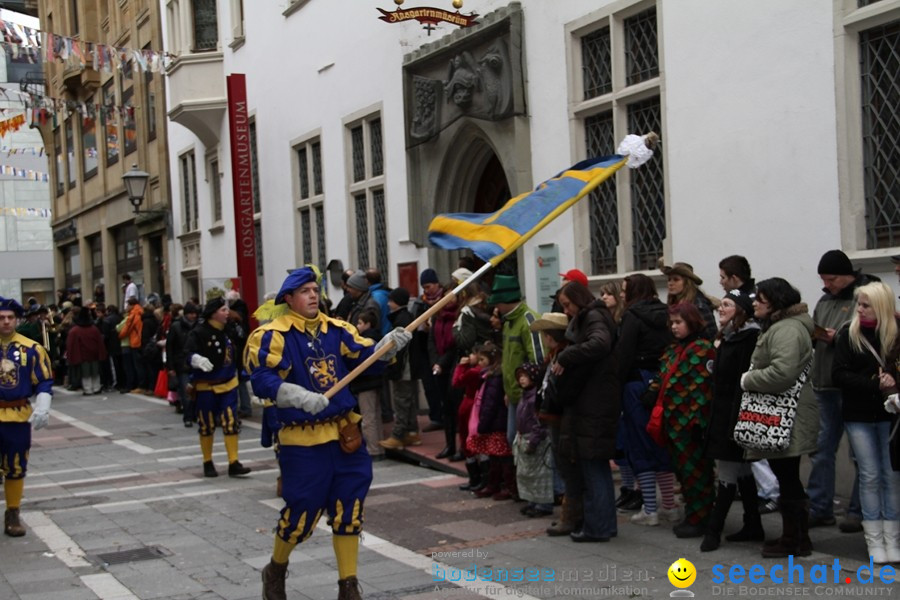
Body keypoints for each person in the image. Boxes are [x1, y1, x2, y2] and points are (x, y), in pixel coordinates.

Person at [245, 267, 411, 600]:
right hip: (301, 439)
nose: (311, 295)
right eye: (304, 291)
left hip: (344, 435)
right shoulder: (272, 334)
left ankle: (348, 585)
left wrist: (387, 347)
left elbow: (366, 359)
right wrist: (295, 395)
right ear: (289, 299)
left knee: (350, 509)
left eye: (314, 289)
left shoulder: (338, 329)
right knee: (302, 513)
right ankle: (276, 568)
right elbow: (262, 377)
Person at [743, 277, 818, 558]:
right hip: (785, 411)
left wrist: (747, 379)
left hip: (787, 413)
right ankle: (795, 537)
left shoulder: (786, 330)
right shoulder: (781, 326)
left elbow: (782, 372)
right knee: (786, 476)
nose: (754, 303)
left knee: (787, 477)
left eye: (759, 299)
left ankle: (795, 540)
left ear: (775, 302)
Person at [831, 281, 900, 563]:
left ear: (881, 306)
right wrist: (874, 383)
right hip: (858, 415)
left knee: (891, 476)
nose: (859, 309)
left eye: (865, 304)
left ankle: (892, 538)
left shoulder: (895, 334)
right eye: (858, 304)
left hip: (890, 414)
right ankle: (874, 539)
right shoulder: (849, 333)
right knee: (870, 475)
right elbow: (839, 375)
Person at [808, 250, 875, 529]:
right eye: (824, 279)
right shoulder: (824, 300)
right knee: (822, 448)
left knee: (859, 452)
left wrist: (841, 338)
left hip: (851, 387)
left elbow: (866, 337)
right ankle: (819, 506)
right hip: (824, 384)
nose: (828, 284)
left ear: (848, 275)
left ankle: (857, 510)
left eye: (832, 278)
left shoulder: (863, 297)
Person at [554, 281, 619, 543]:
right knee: (596, 465)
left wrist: (566, 356)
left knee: (593, 467)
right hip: (598, 399)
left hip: (595, 401)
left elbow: (599, 344)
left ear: (579, 299)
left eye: (568, 305)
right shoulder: (596, 315)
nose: (567, 311)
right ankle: (604, 524)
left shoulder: (593, 316)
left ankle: (598, 527)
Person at [701, 288, 764, 552]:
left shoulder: (748, 338)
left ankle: (713, 531)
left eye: (727, 305)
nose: (721, 309)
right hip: (724, 412)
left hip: (735, 415)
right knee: (743, 469)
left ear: (740, 311)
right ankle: (753, 524)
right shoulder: (729, 337)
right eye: (721, 304)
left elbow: (741, 381)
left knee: (728, 470)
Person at [615, 274, 678, 522]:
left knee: (640, 444)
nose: (621, 295)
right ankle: (670, 506)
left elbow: (624, 354)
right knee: (661, 441)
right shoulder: (667, 313)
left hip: (635, 384)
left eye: (624, 290)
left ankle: (650, 508)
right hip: (662, 381)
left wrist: (616, 386)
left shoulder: (632, 316)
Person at [0, 297, 53, 537]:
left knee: (16, 467)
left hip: (17, 416)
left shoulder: (32, 348)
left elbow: (43, 380)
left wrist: (43, 404)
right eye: (1, 318)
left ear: (17, 319)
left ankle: (12, 513)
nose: (6, 322)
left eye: (10, 317)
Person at [184, 297, 252, 479]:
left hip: (229, 383)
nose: (227, 313)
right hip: (207, 386)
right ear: (213, 313)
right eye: (223, 310)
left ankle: (234, 462)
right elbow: (187, 353)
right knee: (206, 424)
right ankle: (207, 461)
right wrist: (196, 359)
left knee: (231, 422)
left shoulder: (228, 330)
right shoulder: (199, 332)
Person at [490, 274, 544, 451]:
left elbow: (538, 359)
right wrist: (508, 391)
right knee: (513, 438)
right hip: (514, 394)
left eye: (497, 302)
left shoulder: (529, 321)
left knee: (525, 441)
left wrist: (530, 393)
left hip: (526, 396)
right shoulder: (508, 323)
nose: (495, 307)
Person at [468, 342, 513, 500]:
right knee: (495, 456)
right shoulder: (489, 376)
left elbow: (491, 403)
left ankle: (507, 486)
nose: (479, 363)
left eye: (482, 360)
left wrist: (483, 424)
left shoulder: (494, 377)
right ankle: (494, 485)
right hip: (495, 421)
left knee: (502, 457)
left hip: (496, 422)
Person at [379, 288, 421, 451]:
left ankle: (398, 435)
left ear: (396, 302)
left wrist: (393, 366)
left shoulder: (401, 319)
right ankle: (411, 432)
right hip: (407, 366)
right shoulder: (404, 317)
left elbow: (400, 348)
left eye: (390, 301)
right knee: (408, 400)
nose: (388, 304)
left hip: (404, 367)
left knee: (401, 400)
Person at [513, 361, 553, 517]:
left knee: (540, 474)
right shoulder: (525, 396)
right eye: (520, 376)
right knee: (527, 473)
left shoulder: (535, 398)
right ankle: (532, 501)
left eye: (525, 376)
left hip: (535, 439)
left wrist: (534, 440)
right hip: (524, 436)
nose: (522, 379)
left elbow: (539, 423)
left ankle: (543, 505)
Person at [351, 308, 385, 461]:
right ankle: (379, 446)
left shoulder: (366, 341)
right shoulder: (377, 338)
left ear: (367, 324)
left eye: (359, 323)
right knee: (375, 416)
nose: (357, 326)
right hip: (375, 381)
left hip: (365, 382)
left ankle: (373, 450)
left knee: (368, 418)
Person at [660, 261, 718, 339]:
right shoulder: (674, 302)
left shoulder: (698, 304)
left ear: (687, 283)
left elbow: (711, 334)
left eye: (676, 279)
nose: (670, 283)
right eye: (669, 279)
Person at [167, 302, 200, 426]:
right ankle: (188, 417)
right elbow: (170, 347)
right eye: (191, 314)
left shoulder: (198, 326)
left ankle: (195, 415)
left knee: (196, 391)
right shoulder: (176, 326)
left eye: (195, 314)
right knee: (186, 392)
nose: (193, 316)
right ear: (186, 314)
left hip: (196, 363)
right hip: (182, 364)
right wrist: (170, 367)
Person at [66, 308, 107, 395]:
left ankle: (88, 389)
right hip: (95, 354)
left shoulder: (75, 330)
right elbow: (100, 342)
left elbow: (71, 345)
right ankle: (96, 387)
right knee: (95, 371)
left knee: (85, 373)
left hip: (83, 356)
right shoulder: (94, 329)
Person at [118, 297, 145, 393]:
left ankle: (140, 386)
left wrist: (119, 335)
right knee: (138, 365)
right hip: (139, 340)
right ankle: (140, 385)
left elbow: (126, 329)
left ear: (131, 305)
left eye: (128, 305)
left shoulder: (133, 314)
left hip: (135, 341)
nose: (126, 307)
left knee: (136, 366)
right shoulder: (140, 312)